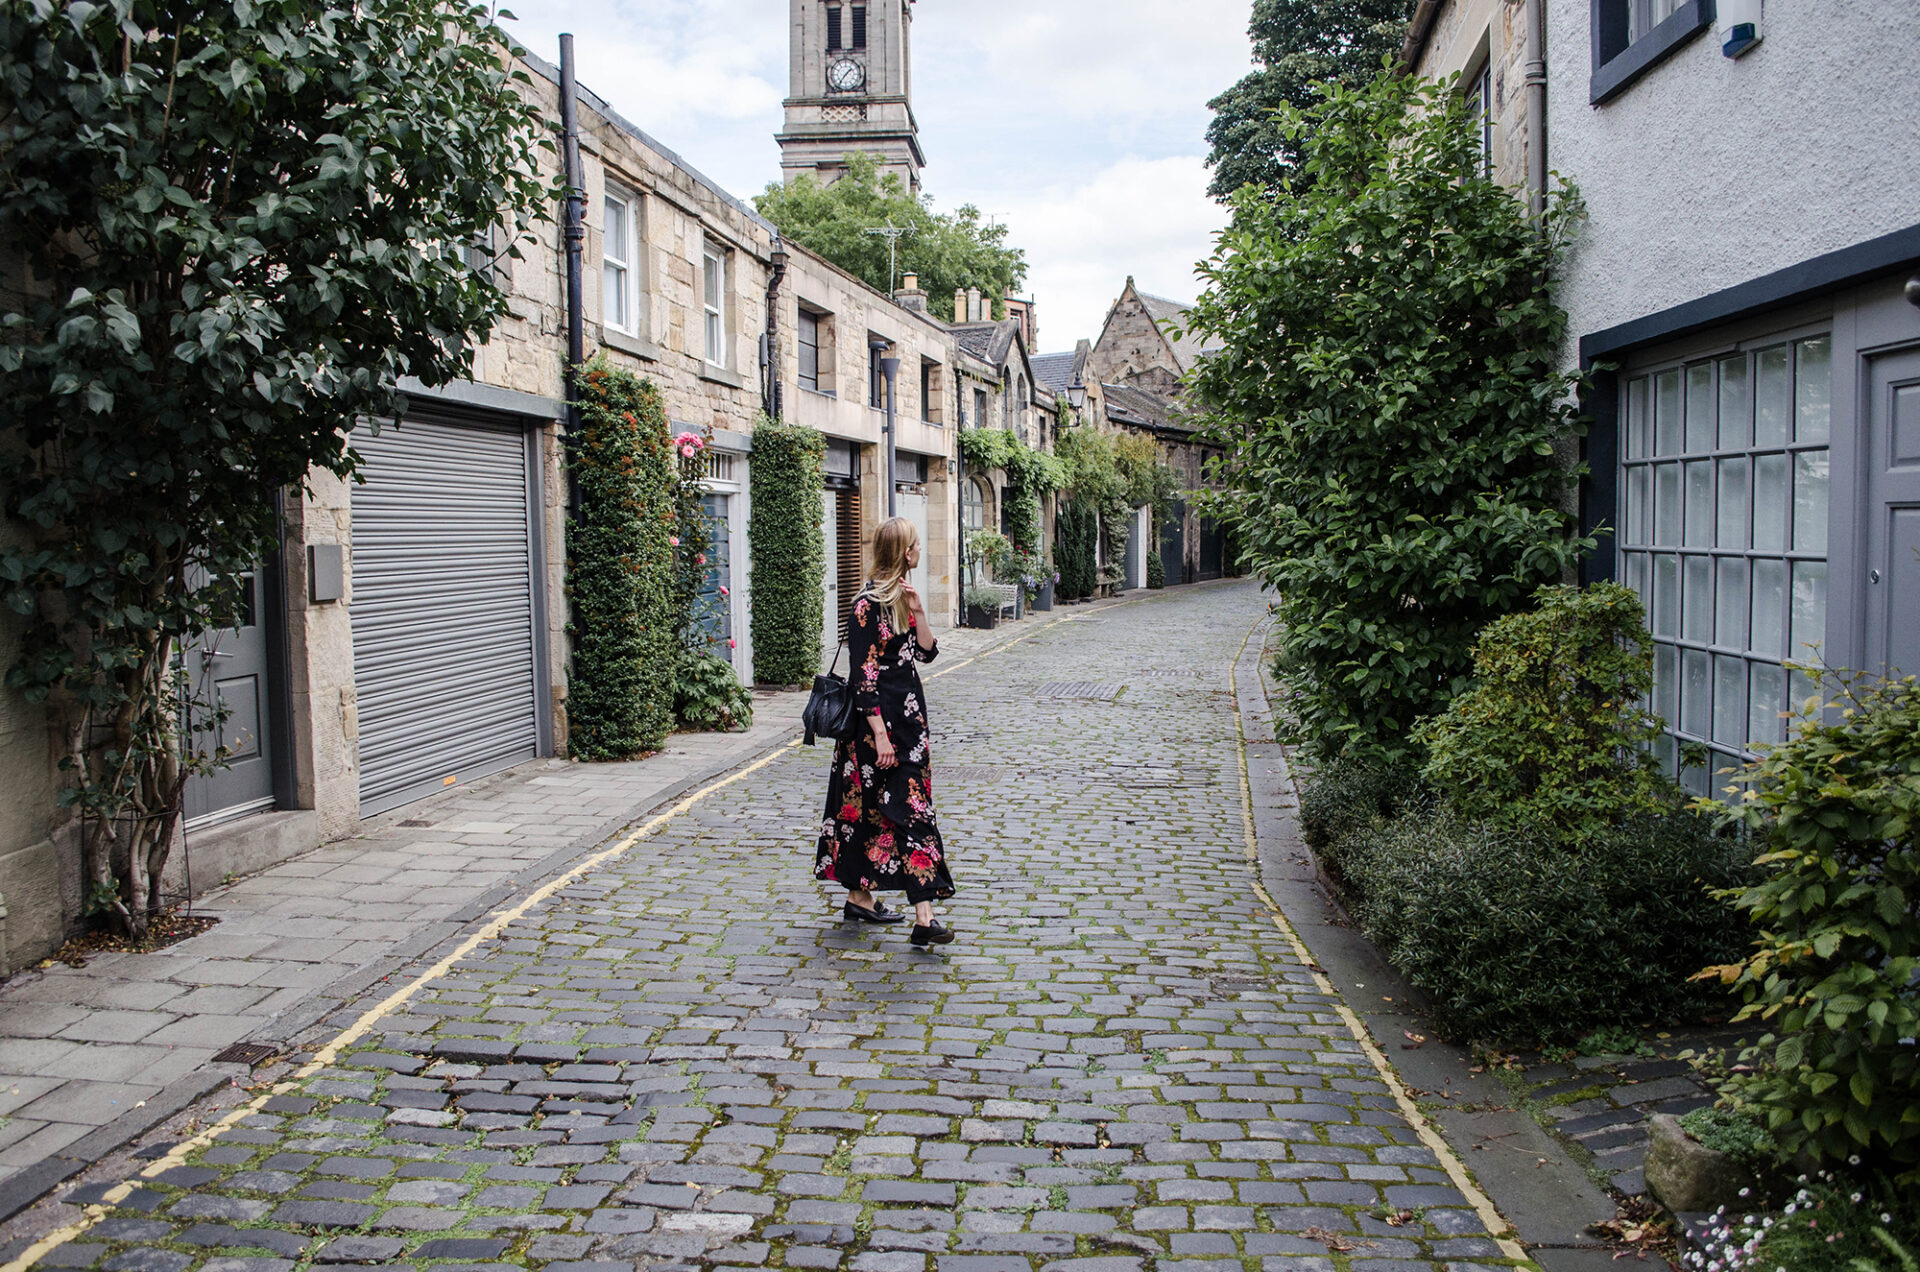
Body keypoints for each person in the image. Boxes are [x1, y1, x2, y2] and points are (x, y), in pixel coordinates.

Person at [814, 516, 956, 946]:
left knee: (878, 814)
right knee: (910, 813)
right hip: (877, 729)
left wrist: (918, 613)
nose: (918, 551)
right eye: (913, 546)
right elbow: (864, 676)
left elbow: (926, 654)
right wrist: (878, 735)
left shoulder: (901, 598)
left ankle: (861, 898)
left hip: (909, 724)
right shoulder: (865, 605)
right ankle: (924, 917)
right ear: (903, 552)